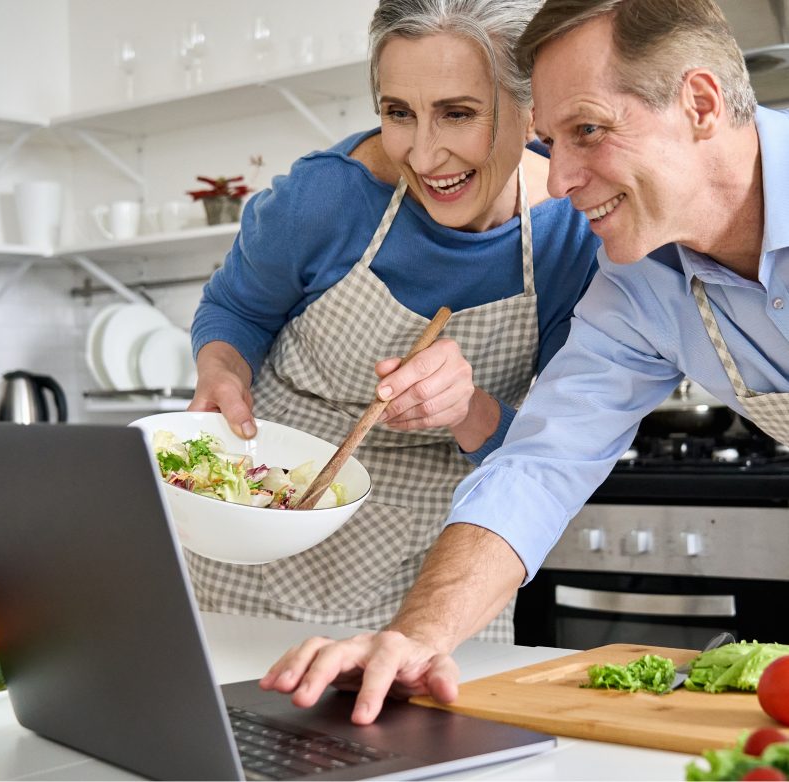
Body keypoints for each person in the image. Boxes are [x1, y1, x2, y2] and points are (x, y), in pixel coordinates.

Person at [259, 0, 789, 724]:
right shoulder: (638, 284)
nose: (561, 179)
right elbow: (539, 466)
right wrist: (413, 639)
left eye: (588, 131)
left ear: (699, 103)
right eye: (549, 140)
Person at [187, 0, 600, 645]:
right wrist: (221, 371)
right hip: (267, 539)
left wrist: (467, 408)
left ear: (533, 110)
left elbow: (550, 454)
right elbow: (235, 309)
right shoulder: (327, 197)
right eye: (397, 113)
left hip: (444, 568)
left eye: (458, 113)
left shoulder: (572, 236)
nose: (424, 153)